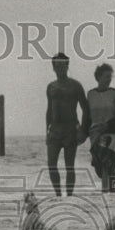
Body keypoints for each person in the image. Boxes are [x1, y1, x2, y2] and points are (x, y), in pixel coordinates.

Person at [45, 53, 90, 197]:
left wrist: (83, 130)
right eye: (56, 65)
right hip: (55, 130)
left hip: (71, 129)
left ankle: (69, 197)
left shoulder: (76, 86)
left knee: (69, 166)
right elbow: (49, 109)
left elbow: (85, 108)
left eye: (62, 64)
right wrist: (47, 130)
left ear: (67, 65)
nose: (60, 68)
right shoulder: (50, 87)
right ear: (53, 67)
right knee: (51, 165)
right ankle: (58, 195)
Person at [81, 63, 115, 193]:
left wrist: (109, 125)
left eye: (110, 76)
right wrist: (82, 134)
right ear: (98, 77)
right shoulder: (90, 94)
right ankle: (108, 191)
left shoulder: (114, 94)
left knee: (109, 163)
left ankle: (107, 192)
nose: (109, 79)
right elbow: (87, 117)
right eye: (106, 76)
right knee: (99, 165)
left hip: (111, 134)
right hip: (95, 134)